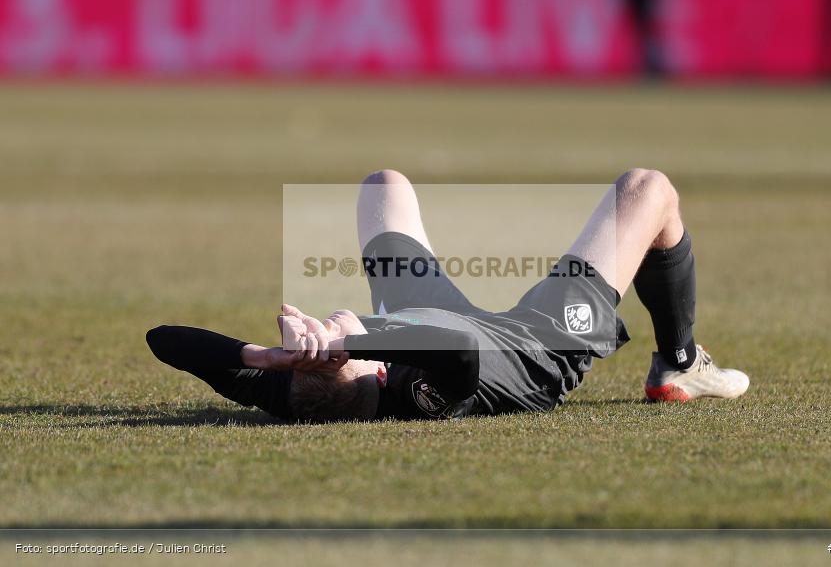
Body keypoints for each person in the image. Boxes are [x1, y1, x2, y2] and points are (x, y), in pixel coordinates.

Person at [146, 169, 749, 423]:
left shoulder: (291, 389)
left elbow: (168, 342)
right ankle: (680, 362)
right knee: (648, 189)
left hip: (416, 317)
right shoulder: (420, 393)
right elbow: (456, 347)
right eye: (353, 355)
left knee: (384, 185)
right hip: (538, 345)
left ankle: (681, 361)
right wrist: (345, 331)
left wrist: (261, 357)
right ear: (373, 371)